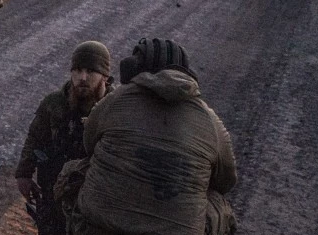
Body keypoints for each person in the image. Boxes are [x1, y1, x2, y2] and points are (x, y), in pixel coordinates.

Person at [70, 38, 237, 235]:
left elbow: (89, 144)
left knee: (74, 170)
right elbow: (226, 181)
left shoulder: (115, 100)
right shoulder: (210, 120)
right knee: (218, 203)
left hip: (100, 227)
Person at [15, 40, 114, 234]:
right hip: (53, 196)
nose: (83, 77)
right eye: (77, 70)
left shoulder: (115, 108)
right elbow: (34, 138)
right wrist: (24, 174)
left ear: (104, 76)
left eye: (90, 71)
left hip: (93, 201)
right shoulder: (54, 104)